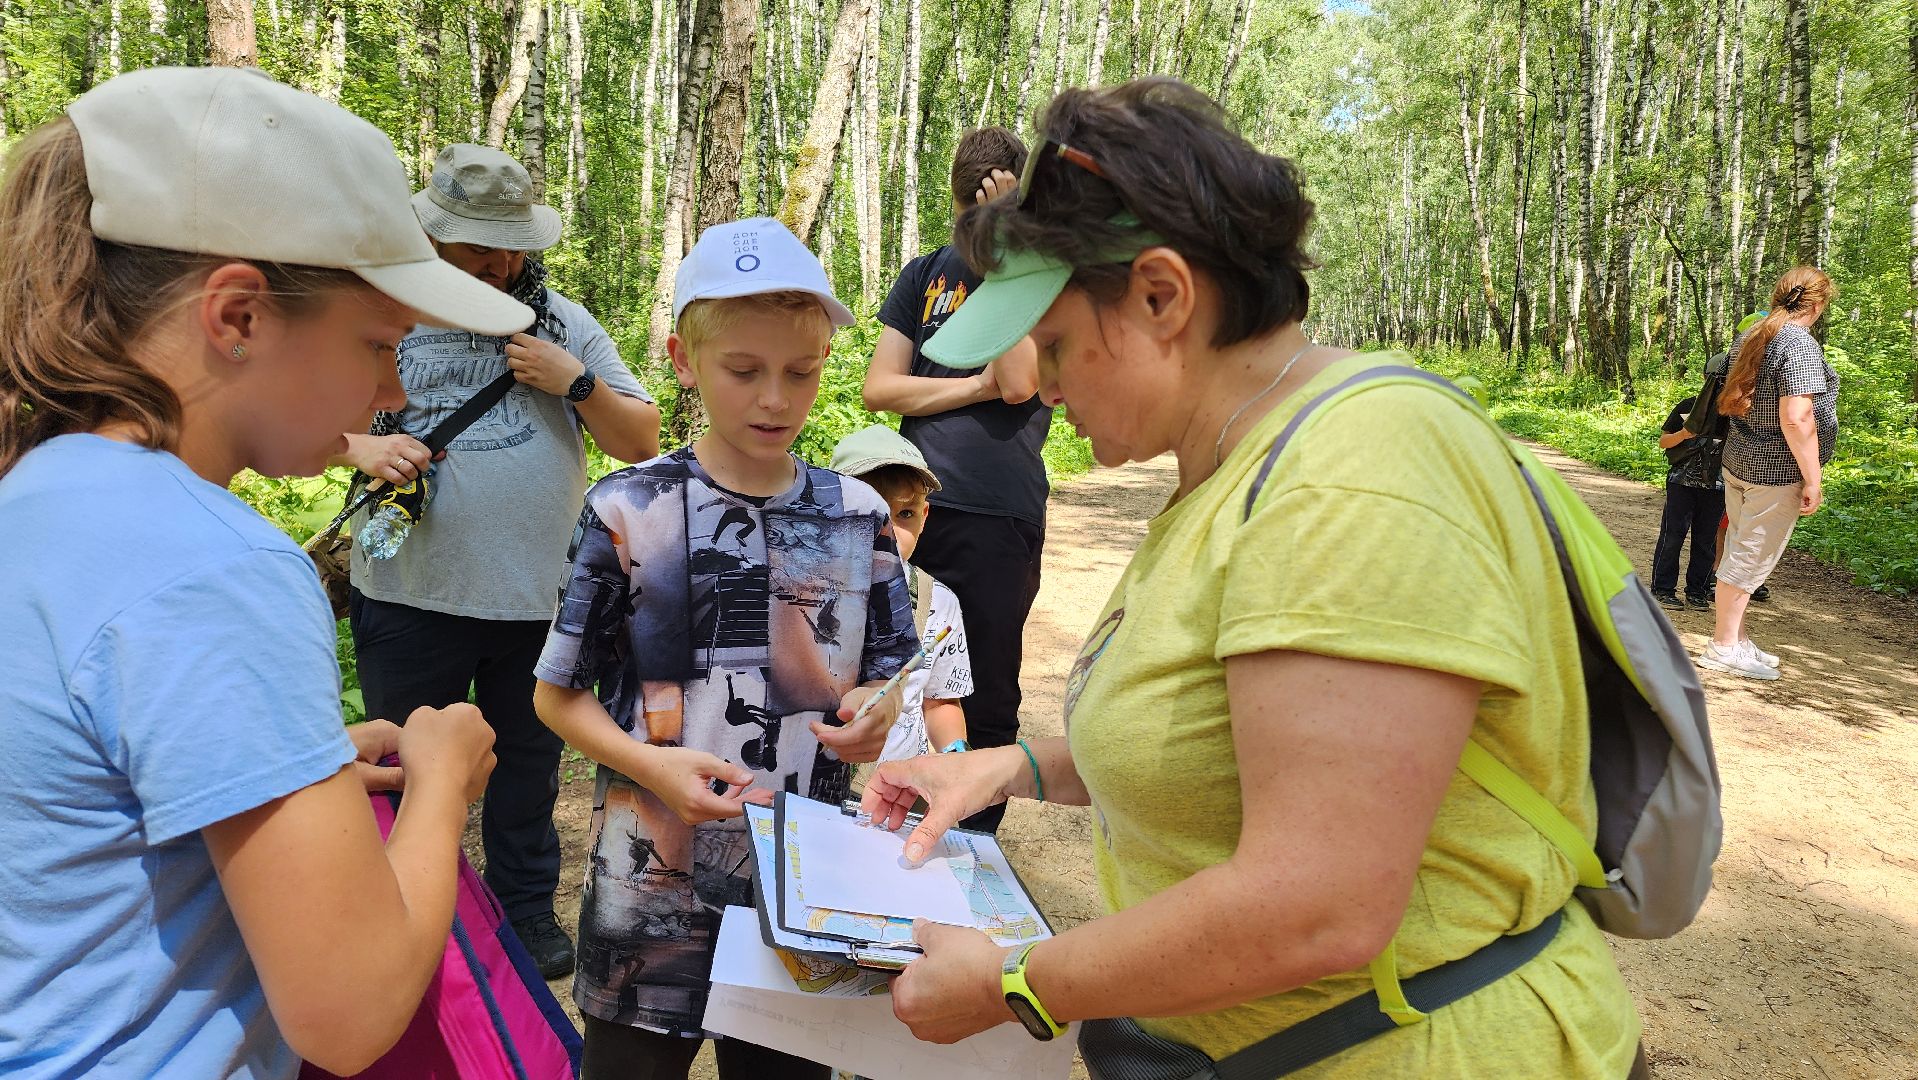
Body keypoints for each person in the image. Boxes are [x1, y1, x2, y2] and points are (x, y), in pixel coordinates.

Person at [858, 78, 1646, 1078]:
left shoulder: (1347, 482)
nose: (1042, 386)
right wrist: (1008, 768)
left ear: (1161, 295)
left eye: (1054, 344)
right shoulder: (1246, 464)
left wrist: (1018, 984)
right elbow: (1231, 746)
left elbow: (1320, 903)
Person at [0, 68, 509, 1077]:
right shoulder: (215, 564)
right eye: (378, 342)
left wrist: (292, 769)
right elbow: (352, 1009)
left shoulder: (38, 493)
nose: (394, 390)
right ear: (237, 316)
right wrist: (442, 784)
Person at [532, 217, 916, 1080]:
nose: (775, 399)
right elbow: (556, 695)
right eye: (743, 371)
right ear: (683, 359)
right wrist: (649, 765)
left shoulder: (857, 516)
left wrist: (875, 709)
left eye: (801, 372)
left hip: (803, 895)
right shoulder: (627, 510)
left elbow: (891, 670)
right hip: (645, 899)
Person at [334, 143, 661, 978]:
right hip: (408, 594)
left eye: (512, 245)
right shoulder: (378, 310)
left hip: (537, 601)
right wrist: (360, 449)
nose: (501, 262)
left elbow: (640, 438)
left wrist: (575, 382)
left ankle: (523, 912)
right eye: (480, 245)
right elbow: (302, 416)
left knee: (528, 766)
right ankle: (413, 913)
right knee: (405, 763)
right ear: (431, 236)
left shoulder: (559, 323)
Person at [863, 127, 1045, 833]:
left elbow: (1021, 381)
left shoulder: (1036, 275)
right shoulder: (923, 275)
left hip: (1000, 511)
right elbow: (880, 387)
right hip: (913, 503)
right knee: (896, 675)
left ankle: (971, 849)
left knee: (986, 691)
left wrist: (1010, 253)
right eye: (974, 214)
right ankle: (886, 826)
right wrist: (974, 387)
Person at [1700, 267, 1839, 681]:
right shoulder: (1798, 344)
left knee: (1739, 547)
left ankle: (1737, 638)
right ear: (1817, 304)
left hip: (1740, 460)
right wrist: (1813, 478)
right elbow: (1796, 417)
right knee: (1750, 556)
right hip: (1775, 471)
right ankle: (1723, 646)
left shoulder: (1753, 333)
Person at [831, 423, 976, 759]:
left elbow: (940, 701)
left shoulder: (937, 601)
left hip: (898, 781)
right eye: (868, 512)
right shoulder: (800, 591)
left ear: (924, 517)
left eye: (905, 514)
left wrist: (955, 754)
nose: (889, 531)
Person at [1651, 391, 1726, 610]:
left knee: (1706, 540)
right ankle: (1662, 589)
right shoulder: (1689, 406)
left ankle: (1697, 592)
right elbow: (1664, 442)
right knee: (1672, 536)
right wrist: (1684, 434)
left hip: (1717, 487)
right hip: (1681, 483)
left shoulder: (1737, 411)